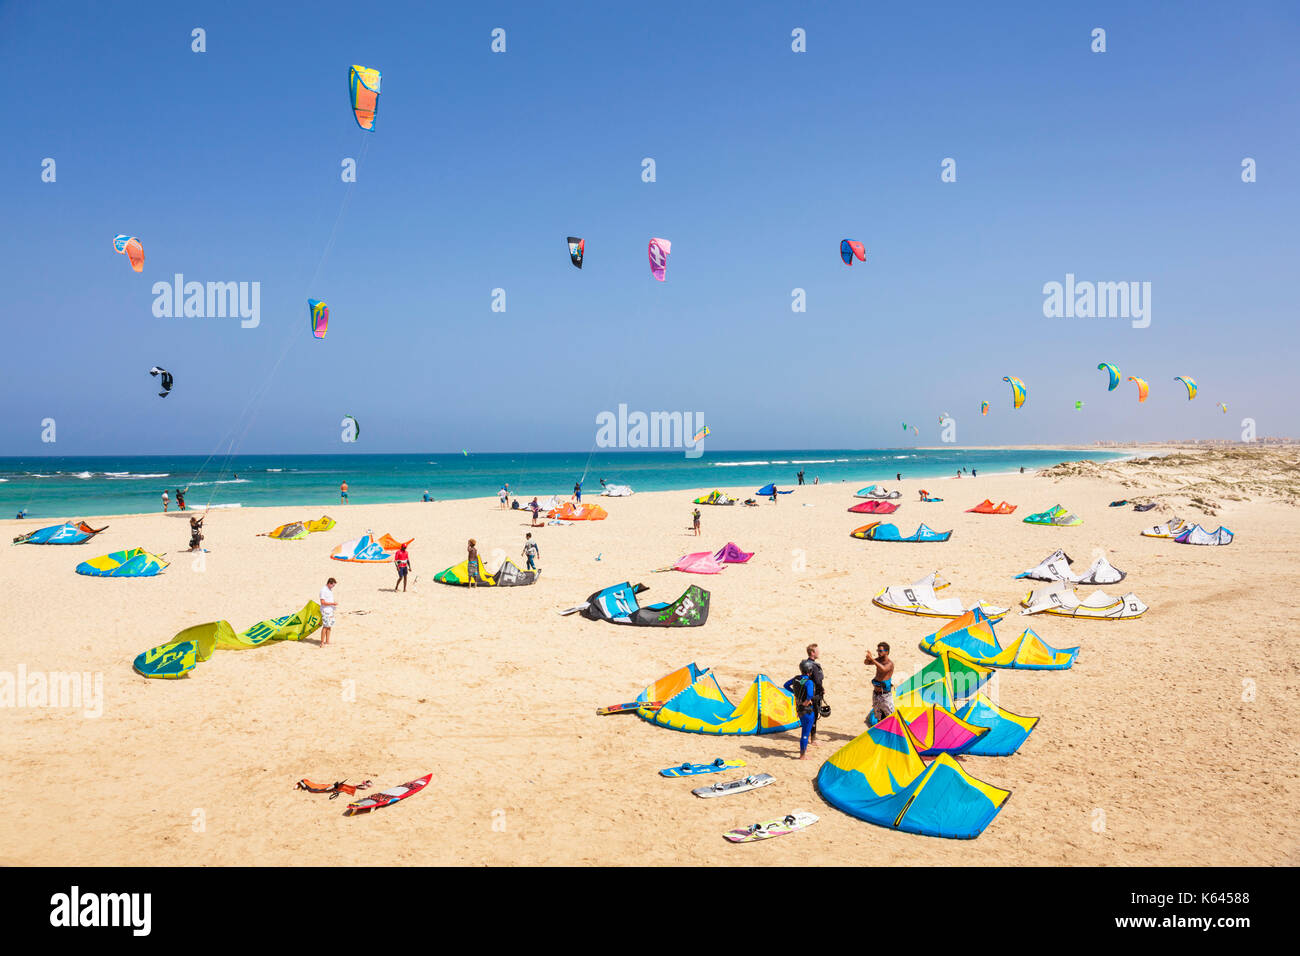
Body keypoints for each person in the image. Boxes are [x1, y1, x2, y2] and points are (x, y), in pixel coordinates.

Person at [783, 663, 818, 759]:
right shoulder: (809, 682)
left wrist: (795, 693)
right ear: (810, 671)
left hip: (799, 709)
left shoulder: (796, 678)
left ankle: (804, 748)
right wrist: (806, 702)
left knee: (805, 730)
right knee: (805, 733)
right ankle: (802, 755)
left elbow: (786, 685)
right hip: (807, 710)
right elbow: (810, 695)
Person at [801, 643, 826, 746]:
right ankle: (813, 739)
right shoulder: (814, 666)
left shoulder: (804, 664)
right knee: (814, 716)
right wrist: (822, 690)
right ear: (812, 653)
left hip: (806, 694)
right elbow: (817, 681)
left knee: (808, 715)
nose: (819, 652)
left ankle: (808, 737)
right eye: (817, 651)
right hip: (814, 695)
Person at [865, 642, 895, 723]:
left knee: (890, 716)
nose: (878, 652)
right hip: (876, 693)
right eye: (877, 650)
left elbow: (883, 669)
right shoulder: (878, 660)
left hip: (885, 695)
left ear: (887, 652)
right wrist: (868, 658)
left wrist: (872, 660)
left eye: (880, 651)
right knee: (878, 715)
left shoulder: (889, 663)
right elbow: (866, 663)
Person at [319, 578, 338, 646]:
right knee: (325, 626)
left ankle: (327, 641)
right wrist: (332, 603)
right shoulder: (323, 590)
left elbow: (329, 599)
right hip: (325, 611)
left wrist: (333, 605)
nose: (333, 587)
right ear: (329, 583)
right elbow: (322, 602)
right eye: (333, 585)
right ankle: (322, 643)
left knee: (329, 626)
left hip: (330, 610)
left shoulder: (329, 590)